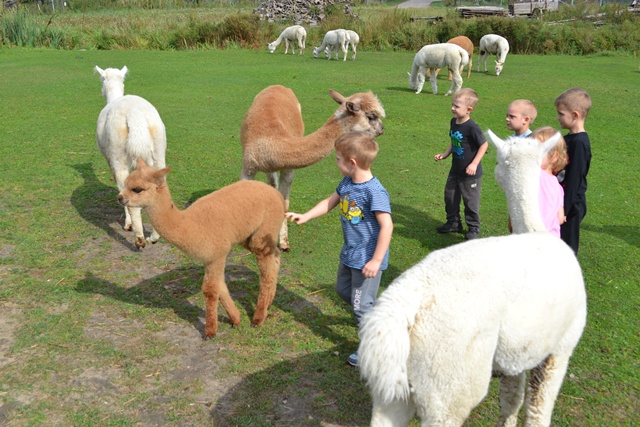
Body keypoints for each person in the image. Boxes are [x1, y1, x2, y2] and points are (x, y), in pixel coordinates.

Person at [285, 131, 393, 367]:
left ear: (352, 163)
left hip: (367, 259)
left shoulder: (374, 192)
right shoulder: (348, 183)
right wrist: (306, 215)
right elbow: (329, 202)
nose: (335, 162)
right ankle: (376, 315)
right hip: (350, 254)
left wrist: (376, 260)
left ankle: (372, 349)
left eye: (337, 159)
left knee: (360, 306)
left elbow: (387, 226)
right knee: (343, 291)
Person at [434, 88, 489, 240]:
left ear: (469, 109)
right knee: (450, 197)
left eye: (457, 106)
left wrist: (474, 164)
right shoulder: (454, 122)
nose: (453, 108)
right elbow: (454, 141)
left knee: (470, 202)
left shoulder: (472, 127)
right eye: (452, 105)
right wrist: (445, 154)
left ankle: (473, 228)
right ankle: (453, 223)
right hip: (456, 170)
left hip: (470, 175)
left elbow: (484, 145)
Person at [555, 88, 592, 255]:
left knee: (567, 248)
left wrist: (565, 208)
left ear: (575, 115)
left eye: (561, 114)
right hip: (560, 200)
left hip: (570, 205)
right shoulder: (568, 138)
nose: (558, 117)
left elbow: (575, 179)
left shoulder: (579, 143)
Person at [532, 126, 568, 237]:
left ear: (554, 156)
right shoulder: (558, 186)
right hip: (552, 240)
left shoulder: (535, 176)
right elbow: (560, 218)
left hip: (532, 237)